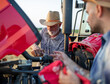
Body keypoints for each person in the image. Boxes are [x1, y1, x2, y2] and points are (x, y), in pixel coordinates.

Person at [50, 0, 110, 84]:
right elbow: (98, 79)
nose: (87, 20)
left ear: (99, 10)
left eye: (88, 13)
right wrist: (72, 65)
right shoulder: (106, 43)